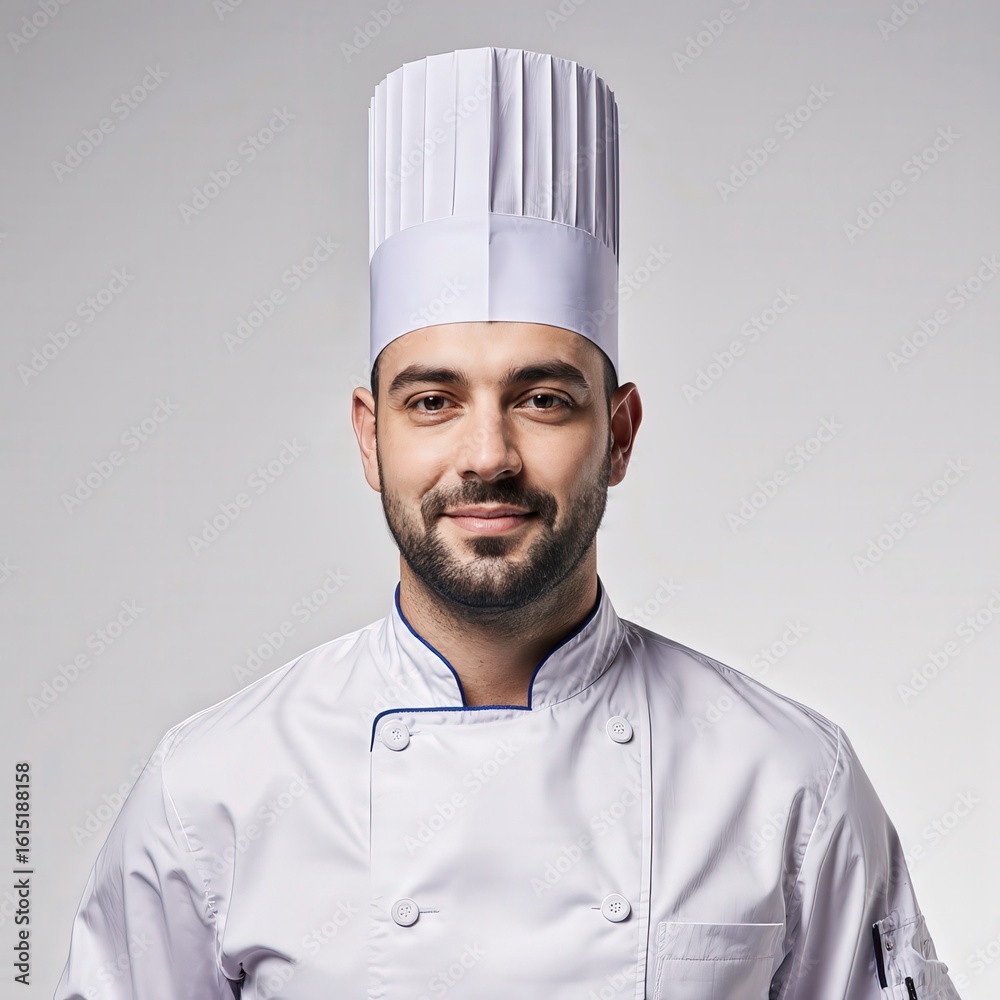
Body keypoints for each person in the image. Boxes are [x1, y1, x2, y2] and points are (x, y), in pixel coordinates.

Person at [54, 46, 961, 1000]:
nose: (487, 455)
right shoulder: (210, 791)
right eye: (432, 402)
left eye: (542, 399)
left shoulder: (791, 781)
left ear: (619, 434)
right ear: (369, 437)